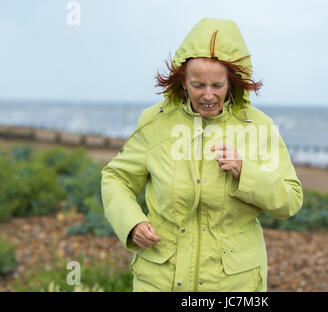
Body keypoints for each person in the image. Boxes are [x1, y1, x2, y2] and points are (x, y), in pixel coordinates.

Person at [101, 17, 303, 292]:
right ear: (182, 82)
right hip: (160, 279)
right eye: (198, 85)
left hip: (233, 283)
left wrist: (246, 172)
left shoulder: (259, 126)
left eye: (217, 85)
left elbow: (290, 199)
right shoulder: (155, 122)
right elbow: (116, 178)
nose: (208, 95)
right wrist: (131, 222)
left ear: (232, 83)